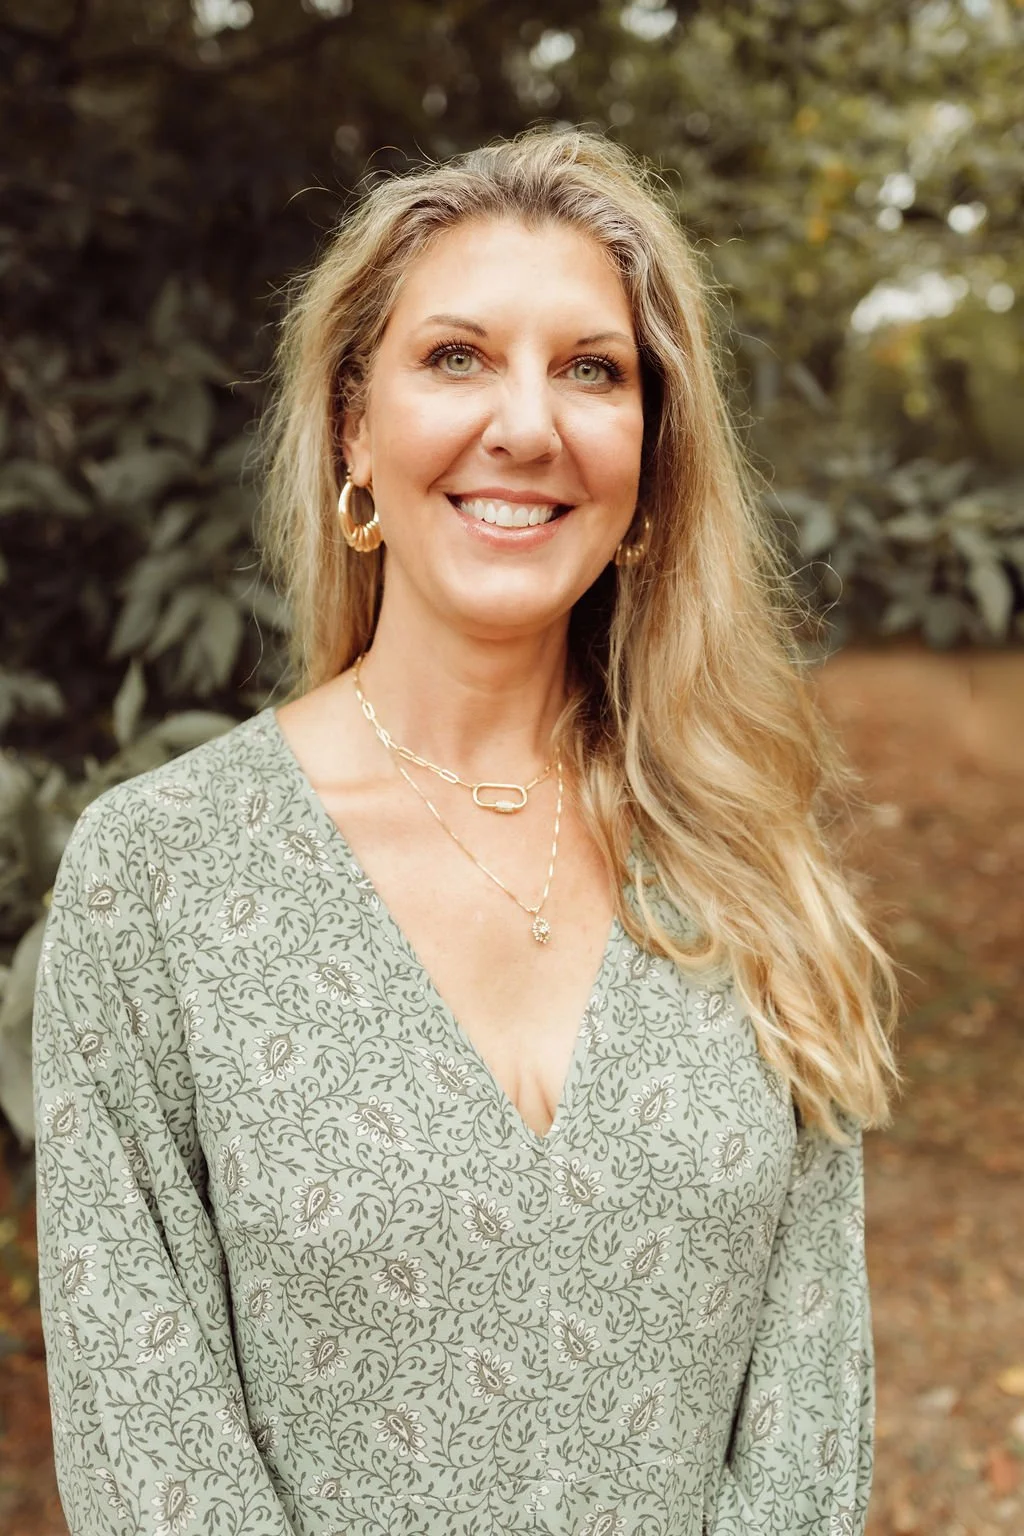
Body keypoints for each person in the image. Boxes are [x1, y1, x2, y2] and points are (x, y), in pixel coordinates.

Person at [33, 128, 899, 1536]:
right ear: (351, 432)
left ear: (650, 460)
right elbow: (150, 1449)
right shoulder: (161, 882)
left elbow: (808, 1425)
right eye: (455, 358)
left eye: (592, 369)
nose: (528, 424)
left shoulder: (750, 868)